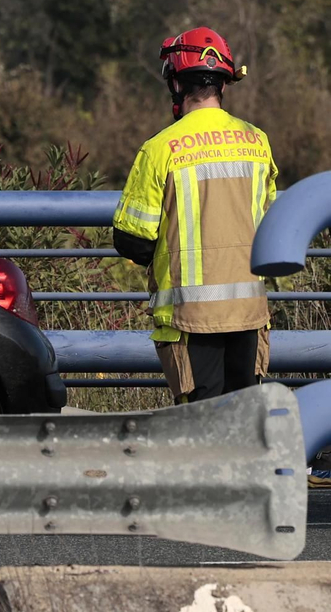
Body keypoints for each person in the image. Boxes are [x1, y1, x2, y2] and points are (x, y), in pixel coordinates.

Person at [112, 27, 276, 404]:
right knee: (244, 420)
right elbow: (268, 221)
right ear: (223, 82)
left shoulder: (160, 149)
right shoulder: (257, 141)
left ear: (176, 84)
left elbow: (132, 239)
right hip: (248, 313)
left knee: (200, 428)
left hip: (190, 318)